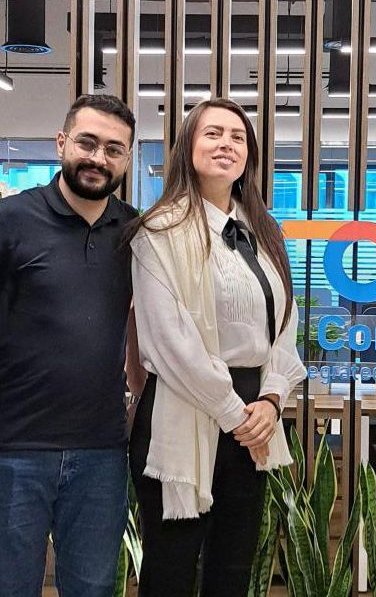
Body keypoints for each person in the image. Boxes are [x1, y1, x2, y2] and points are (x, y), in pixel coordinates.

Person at [128, 98, 305, 597]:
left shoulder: (263, 231)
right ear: (188, 147)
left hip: (255, 417)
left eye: (237, 136)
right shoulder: (159, 230)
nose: (226, 144)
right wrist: (235, 413)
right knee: (171, 570)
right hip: (184, 409)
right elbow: (168, 341)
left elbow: (284, 323)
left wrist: (271, 400)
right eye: (213, 134)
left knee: (233, 568)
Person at [0, 95, 141, 597]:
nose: (98, 158)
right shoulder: (11, 219)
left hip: (101, 453)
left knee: (94, 588)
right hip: (14, 450)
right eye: (87, 142)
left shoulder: (136, 233)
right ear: (62, 142)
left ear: (127, 157)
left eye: (114, 149)